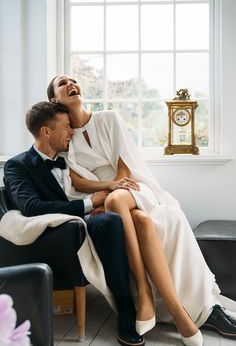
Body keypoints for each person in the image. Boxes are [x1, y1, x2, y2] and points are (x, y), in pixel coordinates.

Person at [46, 74, 236, 346]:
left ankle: (146, 296)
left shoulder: (108, 118)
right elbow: (77, 181)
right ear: (54, 99)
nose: (71, 83)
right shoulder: (65, 138)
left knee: (117, 202)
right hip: (109, 191)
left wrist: (114, 187)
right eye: (62, 83)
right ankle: (178, 313)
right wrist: (109, 187)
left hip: (135, 186)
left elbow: (125, 165)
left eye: (73, 80)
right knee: (142, 222)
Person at [3, 102, 145, 346]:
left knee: (113, 220)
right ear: (46, 131)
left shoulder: (73, 157)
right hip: (59, 233)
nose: (72, 132)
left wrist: (104, 200)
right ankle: (127, 306)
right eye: (67, 126)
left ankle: (129, 307)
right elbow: (31, 208)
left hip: (88, 220)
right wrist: (90, 204)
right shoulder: (18, 165)